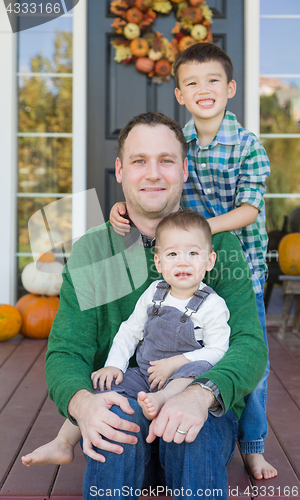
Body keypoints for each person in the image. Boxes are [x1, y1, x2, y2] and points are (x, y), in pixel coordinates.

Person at [43, 112, 268, 500]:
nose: (152, 174)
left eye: (165, 160)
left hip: (199, 401)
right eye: (138, 161)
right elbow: (67, 351)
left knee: (192, 436)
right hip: (126, 397)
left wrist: (200, 395)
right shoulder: (95, 251)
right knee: (113, 426)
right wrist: (83, 404)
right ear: (119, 170)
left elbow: (249, 343)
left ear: (183, 169)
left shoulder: (218, 247)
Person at [110, 43, 275, 480]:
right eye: (192, 83)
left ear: (231, 88)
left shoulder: (246, 146)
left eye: (213, 81)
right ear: (180, 94)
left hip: (239, 264)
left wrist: (203, 229)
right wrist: (120, 211)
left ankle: (253, 445)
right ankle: (168, 395)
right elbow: (158, 189)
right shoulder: (179, 142)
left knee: (251, 359)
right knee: (186, 334)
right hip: (186, 261)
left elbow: (250, 210)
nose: (204, 89)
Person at [22, 210, 230, 467]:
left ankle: (161, 399)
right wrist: (115, 365)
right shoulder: (155, 292)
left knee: (195, 371)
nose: (183, 262)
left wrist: (177, 362)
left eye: (193, 254)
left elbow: (219, 350)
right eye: (173, 254)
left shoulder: (212, 304)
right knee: (104, 391)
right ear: (159, 263)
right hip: (146, 373)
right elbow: (130, 330)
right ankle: (63, 442)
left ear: (209, 261)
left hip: (183, 380)